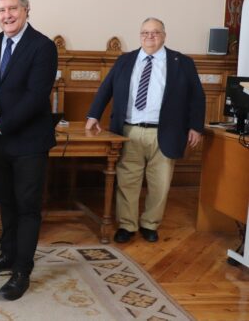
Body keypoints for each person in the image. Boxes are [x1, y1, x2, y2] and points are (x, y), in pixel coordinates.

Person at [0, 0, 58, 301]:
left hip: (29, 142)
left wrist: (1, 124)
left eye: (13, 8)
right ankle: (7, 256)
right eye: (1, 10)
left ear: (26, 9)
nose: (7, 15)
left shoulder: (43, 47)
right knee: (5, 203)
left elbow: (36, 97)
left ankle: (22, 270)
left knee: (27, 208)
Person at [86, 17, 205, 244]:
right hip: (129, 131)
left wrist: (196, 127)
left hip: (166, 132)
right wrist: (93, 115)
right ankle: (127, 226)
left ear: (164, 35)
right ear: (139, 36)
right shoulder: (125, 61)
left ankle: (150, 224)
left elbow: (197, 97)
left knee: (160, 183)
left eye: (155, 32)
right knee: (127, 180)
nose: (149, 37)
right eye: (145, 33)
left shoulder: (182, 62)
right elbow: (105, 89)